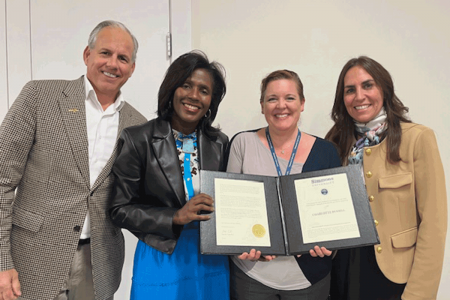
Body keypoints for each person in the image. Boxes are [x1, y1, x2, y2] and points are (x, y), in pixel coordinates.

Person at [0, 20, 147, 300]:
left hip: (99, 262)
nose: (113, 63)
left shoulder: (138, 126)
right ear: (87, 55)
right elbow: (2, 180)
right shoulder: (39, 97)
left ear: (132, 68)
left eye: (123, 58)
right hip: (31, 258)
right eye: (105, 53)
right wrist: (1, 261)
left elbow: (139, 198)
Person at [109, 51, 230, 300]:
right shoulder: (137, 138)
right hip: (160, 254)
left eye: (204, 90)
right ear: (172, 88)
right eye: (186, 85)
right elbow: (119, 209)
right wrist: (174, 217)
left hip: (211, 257)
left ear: (212, 100)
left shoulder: (219, 142)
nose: (194, 96)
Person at [326, 56, 447, 300]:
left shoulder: (417, 138)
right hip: (340, 271)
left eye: (368, 85)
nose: (359, 96)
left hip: (392, 275)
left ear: (384, 89)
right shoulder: (334, 142)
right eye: (350, 90)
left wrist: (419, 294)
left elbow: (434, 224)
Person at [226, 69, 341, 299]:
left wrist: (330, 243)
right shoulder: (242, 143)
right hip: (251, 274)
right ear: (262, 105)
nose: (281, 105)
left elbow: (335, 216)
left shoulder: (326, 151)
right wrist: (241, 244)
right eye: (272, 99)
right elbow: (230, 209)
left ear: (302, 103)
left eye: (289, 98)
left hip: (308, 278)